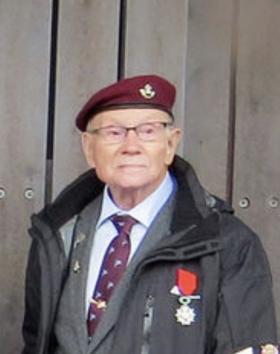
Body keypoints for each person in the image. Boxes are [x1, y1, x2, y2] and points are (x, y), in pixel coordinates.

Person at [22, 74, 278, 354]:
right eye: (114, 132)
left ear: (170, 144)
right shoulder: (57, 234)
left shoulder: (227, 243)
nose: (131, 146)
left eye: (148, 131)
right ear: (89, 147)